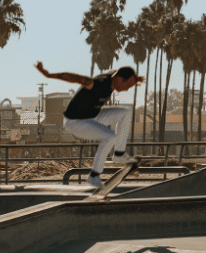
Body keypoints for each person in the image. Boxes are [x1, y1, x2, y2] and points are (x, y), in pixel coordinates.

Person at [36, 62, 143, 191]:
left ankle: (119, 154)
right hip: (76, 122)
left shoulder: (114, 76)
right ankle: (94, 175)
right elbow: (76, 78)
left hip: (93, 116)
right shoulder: (98, 84)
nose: (127, 89)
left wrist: (135, 78)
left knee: (125, 112)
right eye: (127, 85)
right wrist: (48, 75)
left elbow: (118, 70)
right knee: (110, 136)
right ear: (120, 79)